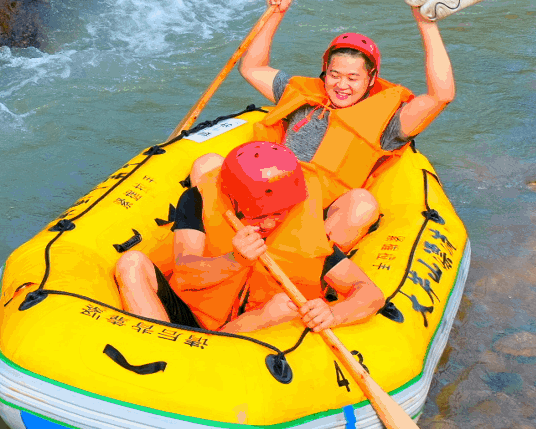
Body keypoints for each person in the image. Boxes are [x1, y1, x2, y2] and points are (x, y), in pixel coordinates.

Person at [240, 0, 499, 226]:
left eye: (353, 78)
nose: (341, 85)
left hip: (316, 217)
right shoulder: (301, 93)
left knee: (362, 205)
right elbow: (252, 68)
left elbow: (441, 96)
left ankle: (427, 7)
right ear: (325, 72)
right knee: (209, 164)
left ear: (371, 80)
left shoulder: (387, 123)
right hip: (267, 195)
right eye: (335, 75)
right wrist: (276, 13)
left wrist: (425, 24)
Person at [113, 141, 387, 334]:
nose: (268, 223)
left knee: (284, 306)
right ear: (232, 200)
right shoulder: (199, 200)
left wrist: (334, 314)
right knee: (131, 263)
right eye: (257, 215)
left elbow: (370, 293)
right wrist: (235, 260)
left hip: (246, 333)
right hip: (190, 316)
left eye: (278, 213)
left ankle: (211, 356)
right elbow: (185, 273)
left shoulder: (302, 227)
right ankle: (162, 353)